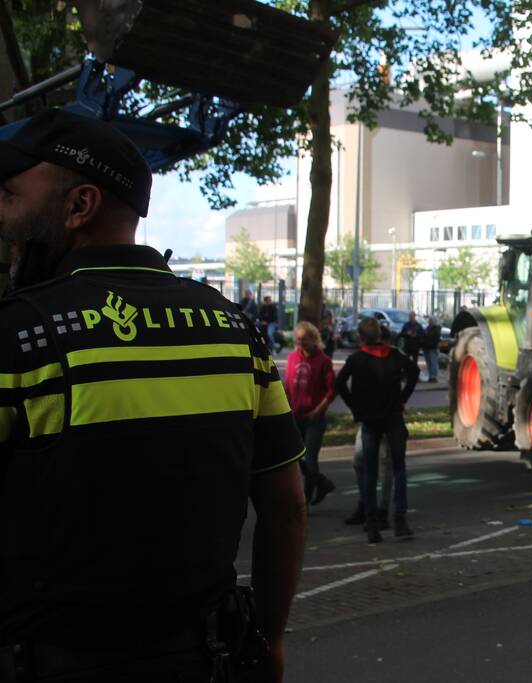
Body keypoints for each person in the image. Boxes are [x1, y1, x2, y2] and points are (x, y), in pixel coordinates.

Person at [0, 109, 306, 681]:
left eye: (9, 196)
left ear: (79, 206)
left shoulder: (17, 337)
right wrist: (271, 637)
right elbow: (286, 505)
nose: (2, 215)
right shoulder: (234, 330)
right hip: (206, 661)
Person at [335, 317, 419, 543]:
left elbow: (339, 384)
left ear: (361, 337)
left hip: (369, 419)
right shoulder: (394, 356)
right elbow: (414, 372)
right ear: (381, 334)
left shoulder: (357, 359)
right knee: (398, 469)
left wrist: (355, 406)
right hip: (393, 417)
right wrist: (402, 398)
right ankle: (399, 520)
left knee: (370, 472)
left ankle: (372, 525)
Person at [344, 327, 395, 530]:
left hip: (386, 419)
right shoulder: (364, 358)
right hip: (368, 419)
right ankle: (366, 504)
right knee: (359, 461)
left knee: (384, 465)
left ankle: (381, 511)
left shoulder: (391, 358)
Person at [285, 321, 337, 505]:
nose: (301, 342)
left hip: (314, 418)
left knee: (310, 458)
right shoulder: (292, 357)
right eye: (298, 339)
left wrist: (318, 410)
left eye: (305, 339)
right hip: (295, 416)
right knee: (294, 457)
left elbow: (332, 391)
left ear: (314, 339)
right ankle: (321, 481)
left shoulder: (323, 361)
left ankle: (305, 501)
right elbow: (288, 385)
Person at [422, 315, 442, 382]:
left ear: (433, 321)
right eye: (429, 320)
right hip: (426, 347)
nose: (429, 321)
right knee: (428, 363)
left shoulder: (436, 329)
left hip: (432, 348)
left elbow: (436, 339)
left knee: (433, 362)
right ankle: (430, 376)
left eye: (430, 320)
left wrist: (427, 337)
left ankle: (434, 376)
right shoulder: (427, 328)